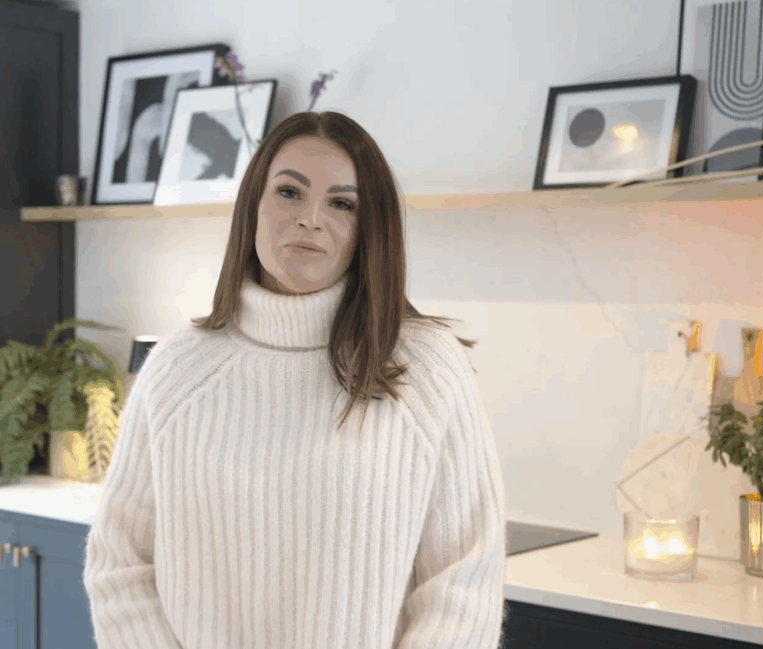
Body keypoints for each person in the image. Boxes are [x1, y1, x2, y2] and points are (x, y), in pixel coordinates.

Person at [83, 111, 507, 648]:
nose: (311, 219)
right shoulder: (174, 370)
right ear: (253, 206)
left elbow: (464, 580)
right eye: (290, 192)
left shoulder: (425, 369)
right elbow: (120, 566)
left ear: (366, 229)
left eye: (341, 203)